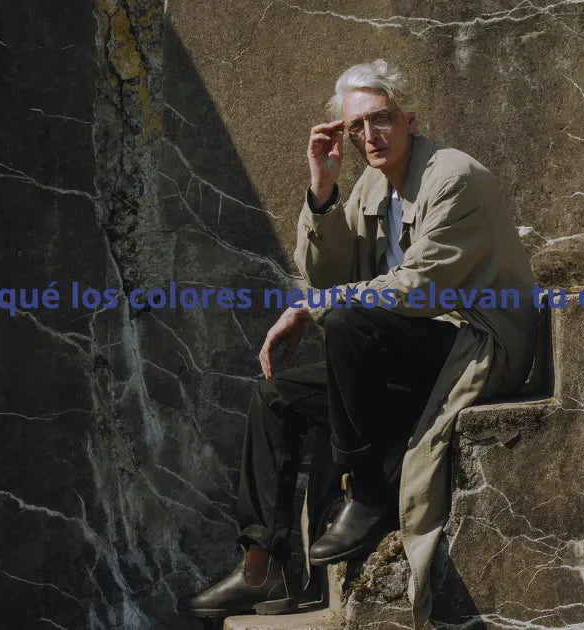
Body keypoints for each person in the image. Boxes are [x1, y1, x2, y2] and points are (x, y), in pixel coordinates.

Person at [177, 59, 539, 625]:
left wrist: (315, 305)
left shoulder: (454, 178)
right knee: (276, 397)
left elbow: (419, 289)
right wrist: (322, 194)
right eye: (356, 128)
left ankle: (370, 491)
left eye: (381, 119)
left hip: (473, 342)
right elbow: (329, 276)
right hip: (401, 346)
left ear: (409, 119)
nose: (369, 136)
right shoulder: (373, 184)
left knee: (348, 321)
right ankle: (259, 568)